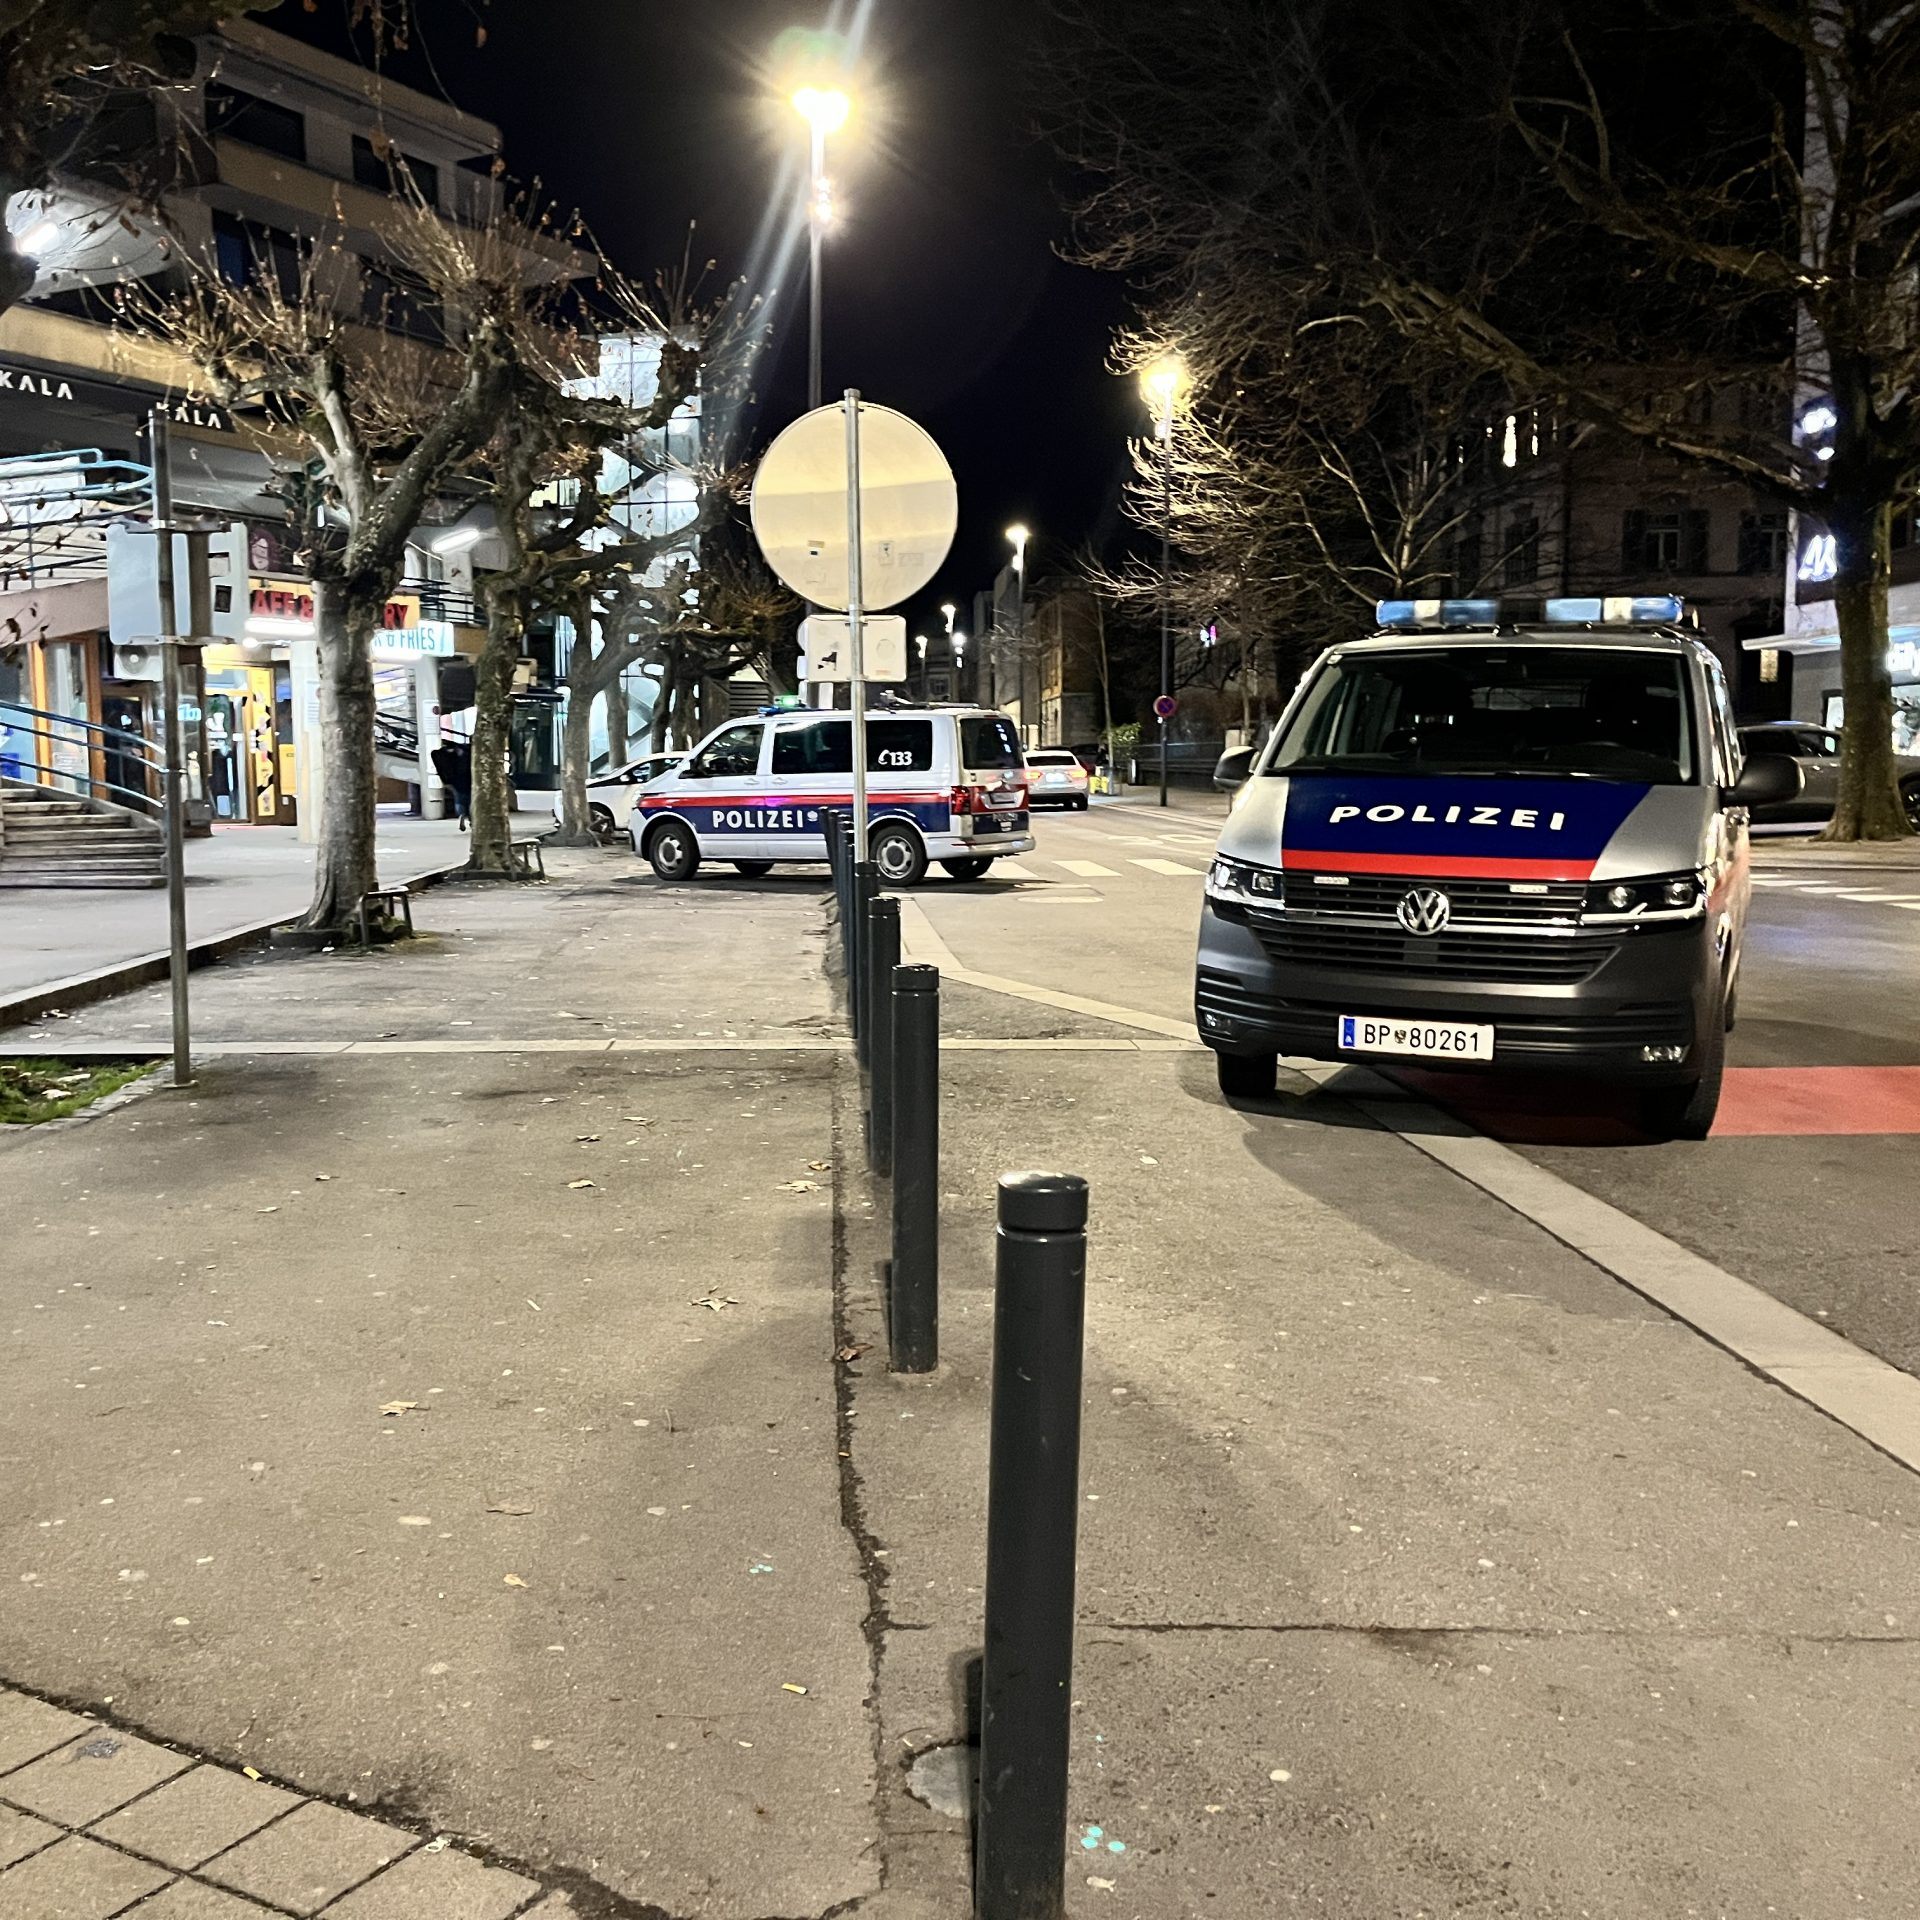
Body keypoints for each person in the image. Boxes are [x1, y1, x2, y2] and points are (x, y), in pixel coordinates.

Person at [431, 730, 473, 829]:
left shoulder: (442, 755)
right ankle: (470, 818)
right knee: (469, 799)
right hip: (467, 778)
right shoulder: (465, 752)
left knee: (460, 799)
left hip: (456, 780)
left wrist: (445, 780)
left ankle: (463, 815)